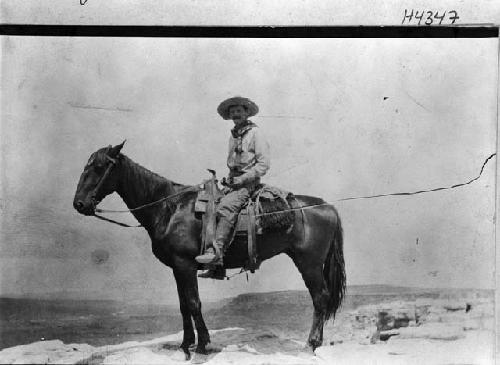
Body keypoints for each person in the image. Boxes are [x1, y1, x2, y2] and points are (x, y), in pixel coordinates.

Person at [196, 96, 270, 279]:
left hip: (248, 184)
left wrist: (242, 179)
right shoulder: (234, 135)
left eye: (239, 111)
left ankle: (216, 253)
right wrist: (229, 180)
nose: (235, 114)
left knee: (226, 207)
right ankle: (219, 268)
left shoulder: (255, 134)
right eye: (232, 112)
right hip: (234, 183)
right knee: (210, 205)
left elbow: (263, 164)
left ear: (246, 113)